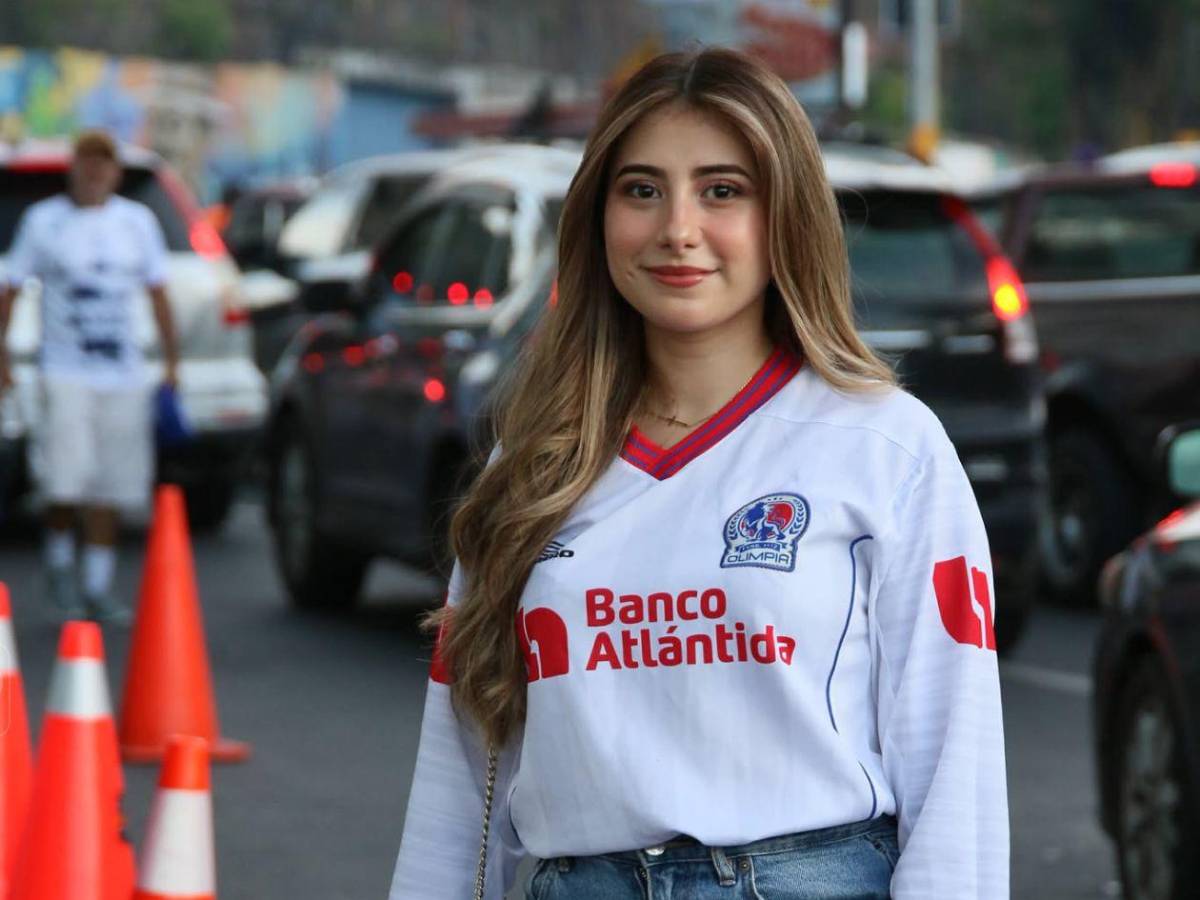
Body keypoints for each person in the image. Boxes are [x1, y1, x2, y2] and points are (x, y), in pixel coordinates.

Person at [390, 48, 1008, 900]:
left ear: (784, 214)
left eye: (723, 190)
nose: (678, 229)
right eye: (641, 190)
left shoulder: (887, 446)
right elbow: (460, 778)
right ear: (598, 216)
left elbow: (955, 765)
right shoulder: (534, 464)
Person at [0, 129, 180, 624]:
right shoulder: (44, 222)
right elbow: (11, 288)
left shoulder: (136, 222)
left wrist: (171, 363)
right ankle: (59, 564)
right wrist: (3, 357)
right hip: (65, 372)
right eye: (88, 161)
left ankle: (97, 586)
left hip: (121, 375)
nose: (96, 171)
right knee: (65, 483)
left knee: (112, 487)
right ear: (74, 167)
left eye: (105, 162)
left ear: (116, 171)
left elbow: (159, 292)